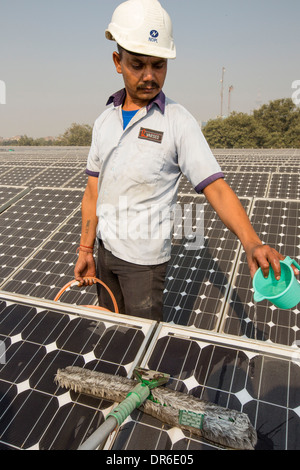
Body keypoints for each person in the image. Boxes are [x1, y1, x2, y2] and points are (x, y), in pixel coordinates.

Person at [74, 0, 298, 321]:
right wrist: (86, 249)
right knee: (111, 333)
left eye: (159, 65)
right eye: (138, 65)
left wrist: (252, 243)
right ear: (117, 62)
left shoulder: (178, 122)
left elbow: (216, 188)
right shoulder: (104, 121)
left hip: (144, 264)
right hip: (105, 252)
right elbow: (93, 191)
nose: (150, 76)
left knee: (141, 342)